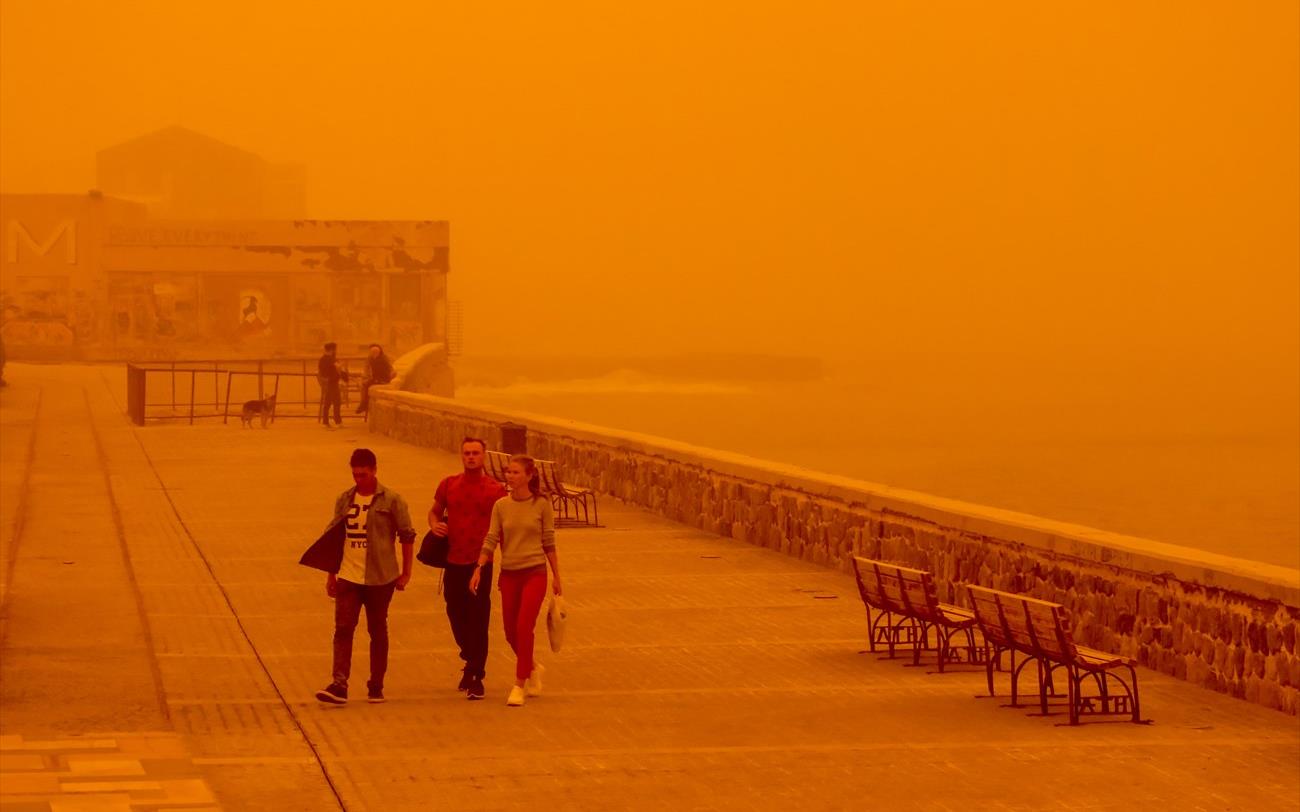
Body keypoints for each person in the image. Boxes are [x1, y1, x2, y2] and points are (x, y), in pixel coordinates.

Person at [313, 448, 416, 705]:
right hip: (349, 574)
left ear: (374, 470)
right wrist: (331, 575)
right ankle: (339, 684)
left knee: (377, 630)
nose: (359, 479)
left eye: (364, 474)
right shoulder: (344, 499)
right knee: (343, 629)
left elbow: (407, 536)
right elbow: (334, 538)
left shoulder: (392, 500)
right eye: (355, 475)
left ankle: (376, 684)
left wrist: (406, 573)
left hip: (381, 577)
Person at [470, 455, 561, 706]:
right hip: (509, 573)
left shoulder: (541, 504)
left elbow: (549, 541)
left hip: (535, 572)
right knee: (510, 632)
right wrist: (479, 567)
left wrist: (557, 576)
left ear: (529, 476)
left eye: (516, 472)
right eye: (508, 472)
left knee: (524, 627)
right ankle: (532, 667)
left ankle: (519, 685)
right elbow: (491, 538)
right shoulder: (501, 505)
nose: (510, 477)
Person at [428, 438, 507, 699]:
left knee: (478, 618)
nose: (471, 457)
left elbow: (504, 528)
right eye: (467, 453)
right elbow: (435, 512)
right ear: (461, 456)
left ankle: (476, 675)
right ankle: (470, 656)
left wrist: (506, 564)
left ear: (484, 456)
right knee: (455, 613)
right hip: (453, 560)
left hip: (481, 563)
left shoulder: (496, 490)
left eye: (475, 453)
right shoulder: (449, 484)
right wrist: (434, 525)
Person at [356, 343, 394, 415]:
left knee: (365, 385)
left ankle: (363, 404)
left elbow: (383, 372)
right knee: (364, 385)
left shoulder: (381, 360)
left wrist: (369, 378)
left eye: (372, 352)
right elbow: (367, 369)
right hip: (378, 379)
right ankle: (363, 404)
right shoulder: (373, 358)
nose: (371, 354)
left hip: (381, 380)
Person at [317, 342, 347, 428]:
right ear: (332, 350)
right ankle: (338, 422)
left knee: (327, 403)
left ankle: (325, 422)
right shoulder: (331, 359)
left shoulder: (322, 359)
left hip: (326, 382)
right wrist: (342, 366)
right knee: (337, 402)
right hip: (332, 382)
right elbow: (338, 368)